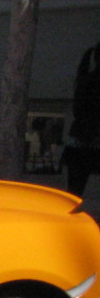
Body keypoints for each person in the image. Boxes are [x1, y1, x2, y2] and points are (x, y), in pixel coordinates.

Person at [63, 41, 100, 197]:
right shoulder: (91, 82)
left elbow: (78, 110)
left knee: (74, 192)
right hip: (89, 141)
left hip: (79, 142)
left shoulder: (85, 80)